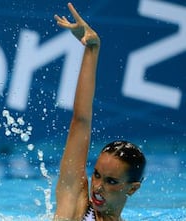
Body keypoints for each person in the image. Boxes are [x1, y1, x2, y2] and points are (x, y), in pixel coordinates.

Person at [53, 3, 146, 221]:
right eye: (96, 175)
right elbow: (81, 121)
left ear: (132, 189)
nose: (98, 186)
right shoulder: (77, 205)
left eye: (111, 181)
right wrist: (92, 49)